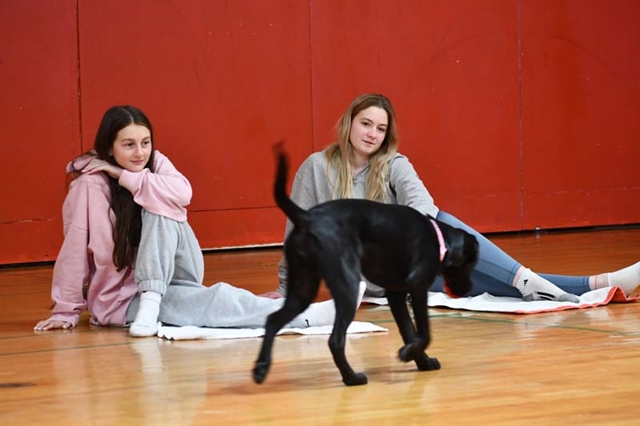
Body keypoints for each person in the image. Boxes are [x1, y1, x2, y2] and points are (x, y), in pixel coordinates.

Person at [261, 93, 639, 302]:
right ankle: (551, 279)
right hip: (383, 278)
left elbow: (425, 206)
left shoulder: (393, 164)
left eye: (380, 128)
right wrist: (285, 286)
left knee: (491, 277)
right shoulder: (315, 167)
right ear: (349, 123)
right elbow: (298, 228)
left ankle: (597, 282)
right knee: (504, 284)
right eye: (365, 124)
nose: (372, 134)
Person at [34, 105, 364, 337]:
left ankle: (152, 298)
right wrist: (66, 309)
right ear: (109, 146)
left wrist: (124, 176)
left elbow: (183, 193)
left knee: (164, 200)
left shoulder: (155, 164)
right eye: (128, 145)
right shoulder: (88, 187)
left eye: (145, 143)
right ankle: (304, 315)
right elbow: (74, 248)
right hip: (123, 298)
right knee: (214, 300)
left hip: (176, 271)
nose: (140, 153)